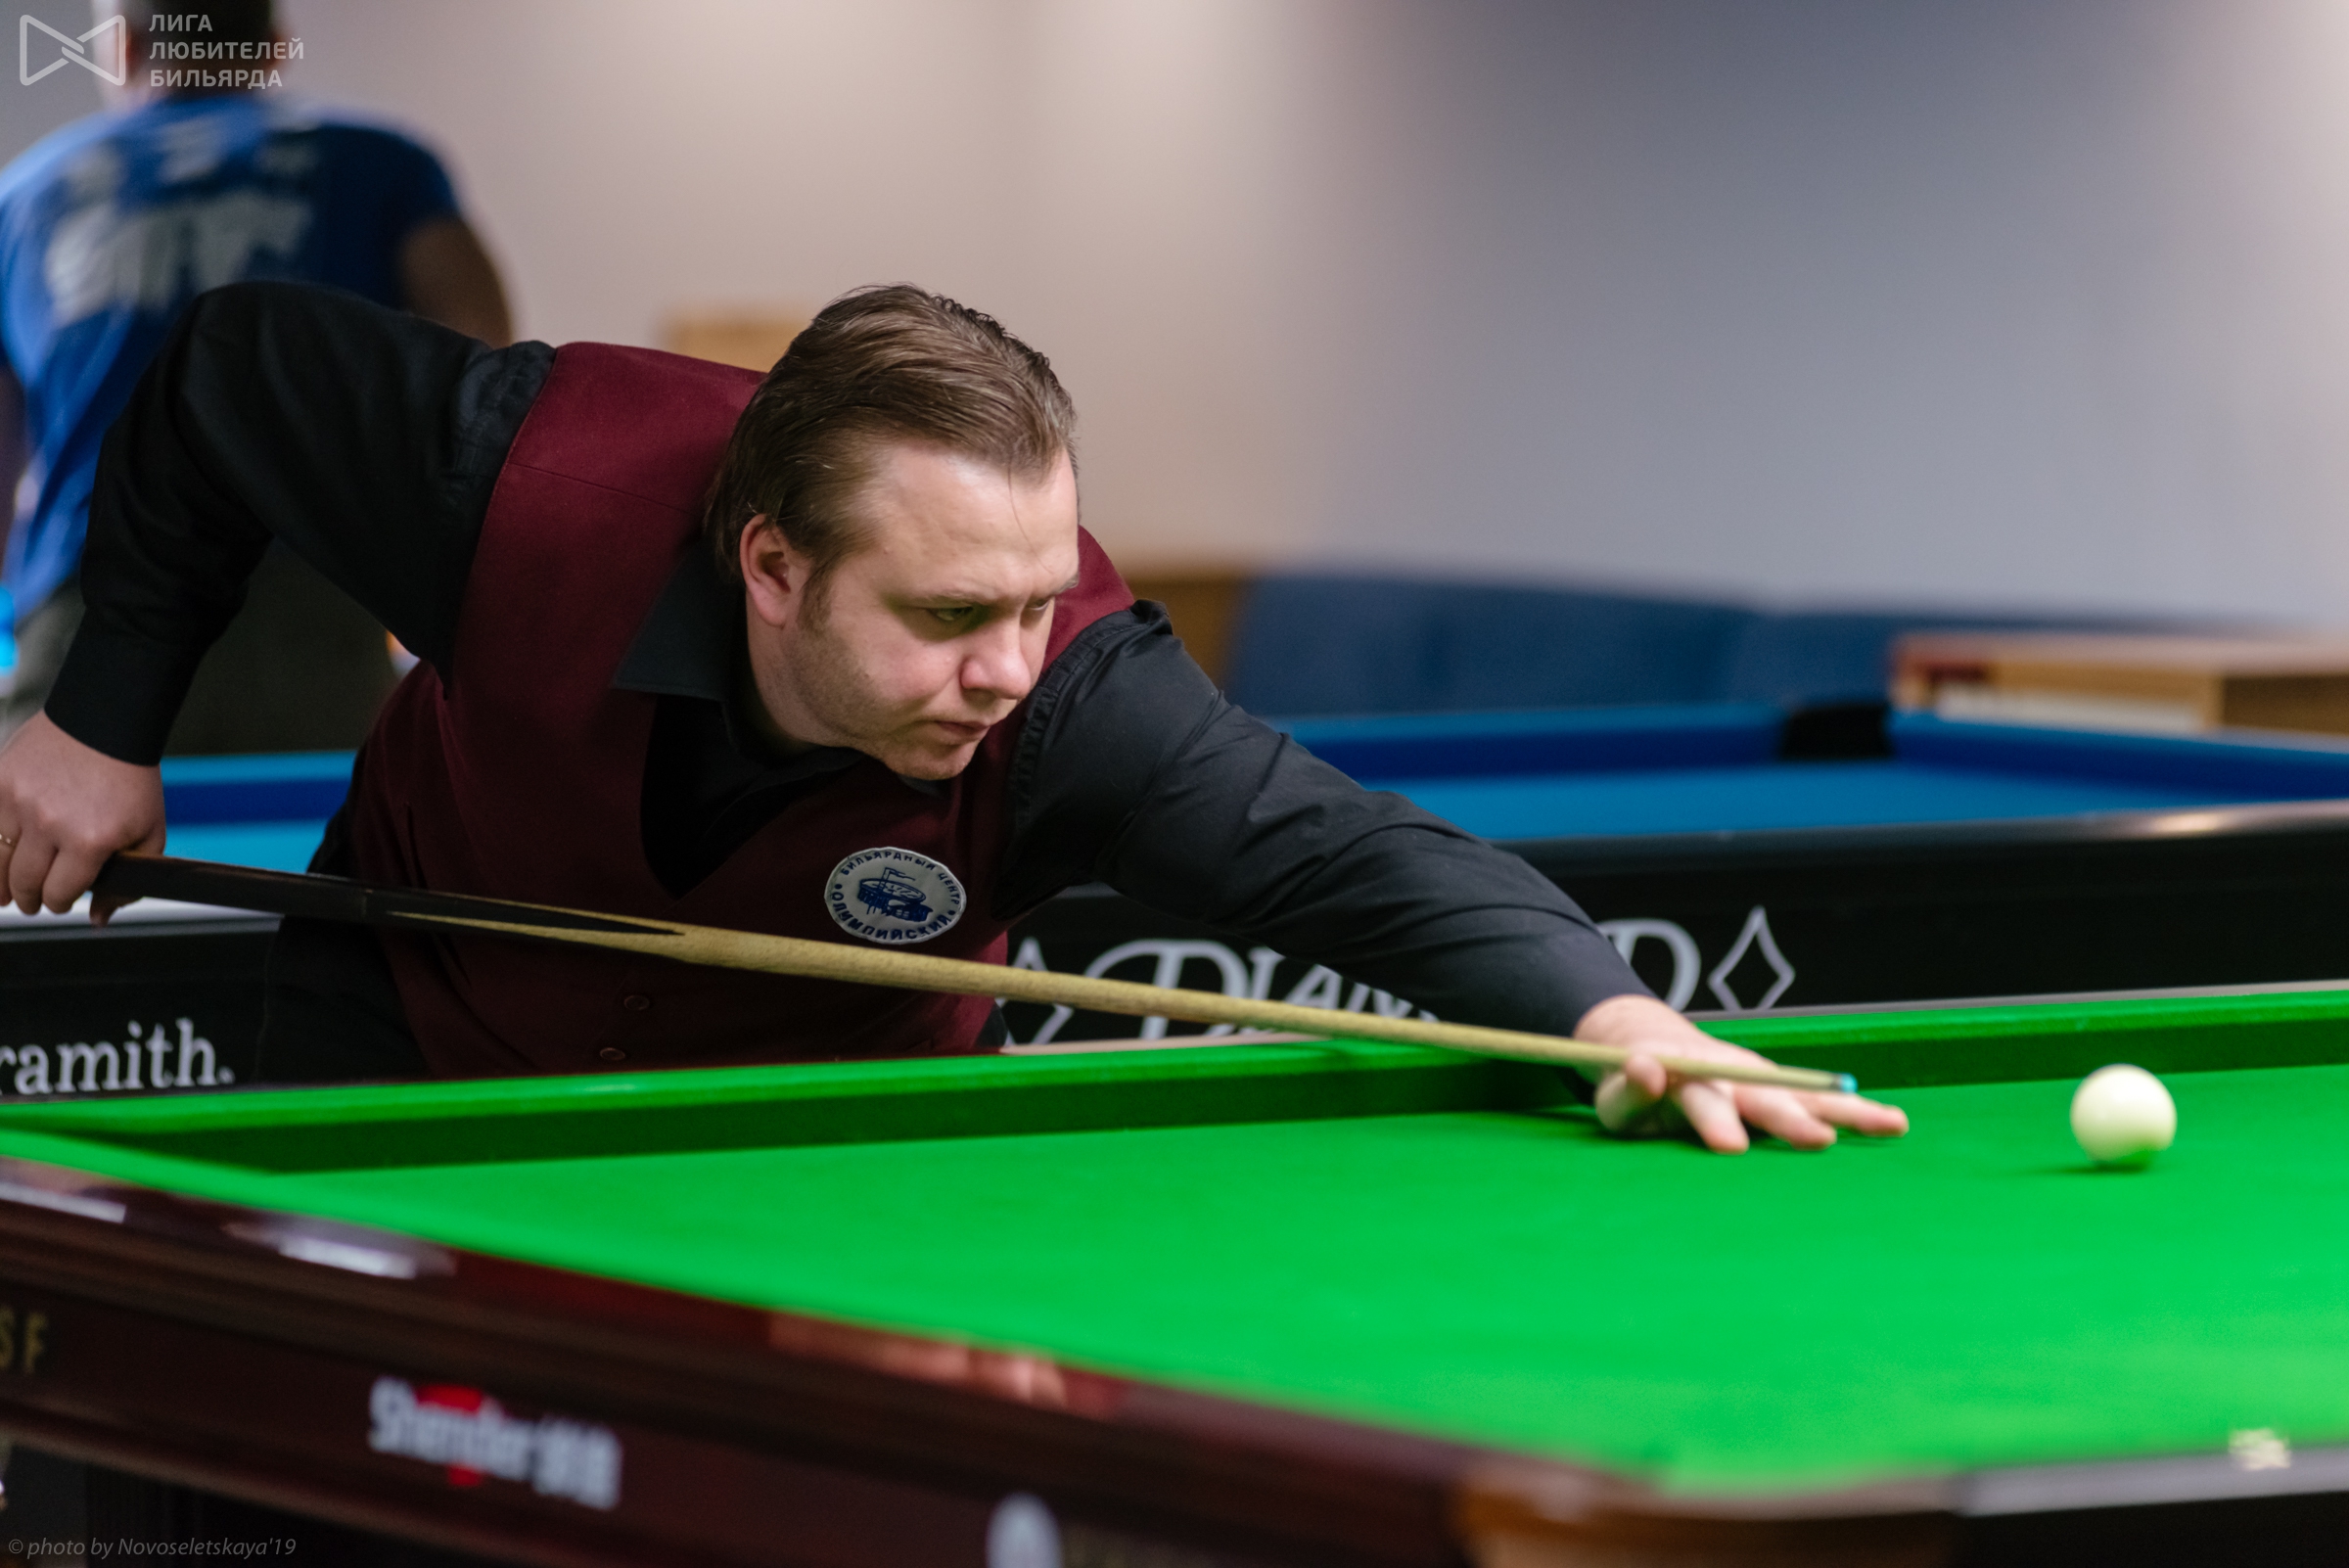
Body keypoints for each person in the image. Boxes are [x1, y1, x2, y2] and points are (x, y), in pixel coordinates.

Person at [0, 279, 1906, 1156]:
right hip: (412, 999)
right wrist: (100, 725)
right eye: (945, 616)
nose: (1007, 664)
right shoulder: (518, 478)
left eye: (1032, 597)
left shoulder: (1074, 697)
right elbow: (223, 368)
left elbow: (1344, 858)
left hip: (833, 1120)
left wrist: (1616, 1017)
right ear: (771, 565)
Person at [0, 0, 510, 752]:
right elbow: (485, 376)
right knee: (336, 824)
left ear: (121, 47)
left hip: (92, 604)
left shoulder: (24, 196)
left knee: (45, 825)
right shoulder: (381, 163)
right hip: (317, 594)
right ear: (273, 49)